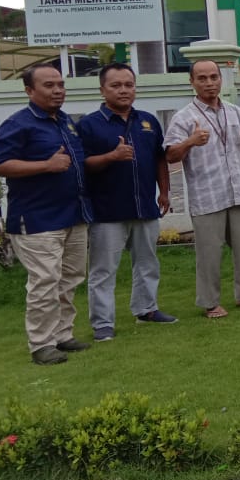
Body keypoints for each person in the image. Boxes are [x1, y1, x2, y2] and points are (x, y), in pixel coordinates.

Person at [0, 65, 93, 364]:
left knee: (70, 277)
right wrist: (45, 166)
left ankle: (62, 335)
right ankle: (41, 344)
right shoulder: (18, 124)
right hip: (36, 219)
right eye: (49, 85)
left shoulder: (64, 122)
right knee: (45, 281)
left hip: (73, 214)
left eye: (60, 84)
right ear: (29, 90)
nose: (57, 90)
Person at [163, 60, 240, 316]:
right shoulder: (184, 117)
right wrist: (191, 141)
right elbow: (170, 155)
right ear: (192, 82)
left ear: (220, 80)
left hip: (239, 190)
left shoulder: (234, 111)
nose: (209, 83)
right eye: (202, 78)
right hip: (208, 194)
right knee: (209, 253)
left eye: (213, 77)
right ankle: (210, 302)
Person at [78, 63, 177, 341]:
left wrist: (164, 192)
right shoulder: (88, 125)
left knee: (147, 263)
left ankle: (147, 309)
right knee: (103, 270)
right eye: (116, 85)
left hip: (144, 205)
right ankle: (102, 324)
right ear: (102, 89)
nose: (124, 90)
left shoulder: (147, 120)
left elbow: (160, 158)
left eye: (128, 85)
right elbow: (82, 164)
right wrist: (111, 157)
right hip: (107, 210)